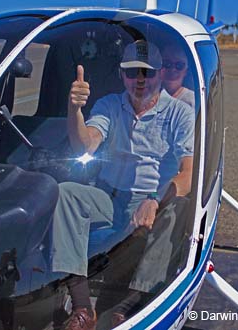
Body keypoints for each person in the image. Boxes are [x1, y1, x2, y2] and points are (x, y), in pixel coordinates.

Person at [50, 40, 194, 330]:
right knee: (64, 194)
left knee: (175, 210)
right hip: (109, 196)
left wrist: (154, 199)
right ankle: (81, 308)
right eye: (132, 72)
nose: (140, 80)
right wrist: (74, 110)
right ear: (121, 75)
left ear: (159, 74)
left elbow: (189, 174)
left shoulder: (180, 113)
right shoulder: (109, 105)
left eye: (147, 72)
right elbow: (86, 144)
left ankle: (129, 307)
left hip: (151, 200)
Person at [161, 44, 194, 109]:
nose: (172, 69)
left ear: (186, 71)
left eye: (179, 65)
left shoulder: (192, 101)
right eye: (167, 63)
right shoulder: (148, 96)